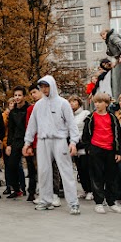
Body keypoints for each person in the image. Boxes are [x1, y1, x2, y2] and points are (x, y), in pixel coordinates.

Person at [23, 75, 81, 215]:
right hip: (43, 140)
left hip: (60, 140)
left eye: (46, 86)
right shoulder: (38, 105)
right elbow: (32, 125)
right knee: (43, 172)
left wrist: (73, 142)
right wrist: (27, 142)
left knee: (66, 171)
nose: (44, 89)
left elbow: (71, 124)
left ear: (52, 86)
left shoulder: (63, 103)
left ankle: (73, 203)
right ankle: (46, 200)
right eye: (42, 87)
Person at [82, 93, 121, 214]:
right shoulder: (90, 117)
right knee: (97, 176)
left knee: (111, 177)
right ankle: (99, 202)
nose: (97, 104)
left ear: (106, 104)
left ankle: (111, 202)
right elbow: (85, 135)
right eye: (95, 102)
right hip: (96, 149)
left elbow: (117, 135)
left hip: (110, 150)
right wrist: (88, 149)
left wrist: (118, 151)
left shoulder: (112, 117)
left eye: (100, 102)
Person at [6, 86, 31, 199]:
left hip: (28, 140)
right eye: (15, 95)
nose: (17, 97)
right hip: (16, 140)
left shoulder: (30, 109)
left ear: (24, 96)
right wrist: (9, 144)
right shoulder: (12, 112)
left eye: (19, 95)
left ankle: (31, 192)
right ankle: (16, 189)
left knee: (31, 167)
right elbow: (10, 129)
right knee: (11, 165)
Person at [68, 95, 92, 200]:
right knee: (79, 169)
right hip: (74, 145)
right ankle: (85, 189)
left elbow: (88, 129)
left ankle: (91, 190)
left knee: (86, 168)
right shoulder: (69, 116)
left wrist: (84, 143)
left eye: (74, 101)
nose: (72, 104)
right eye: (70, 102)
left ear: (79, 102)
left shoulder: (85, 113)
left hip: (84, 144)